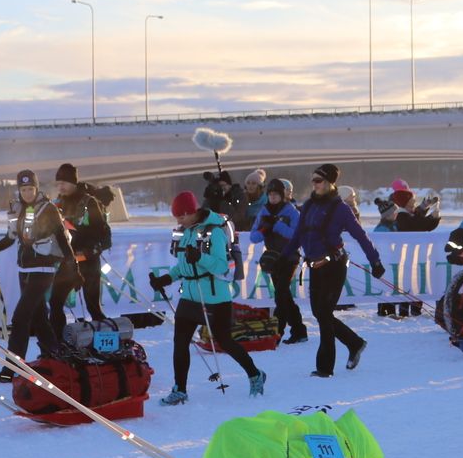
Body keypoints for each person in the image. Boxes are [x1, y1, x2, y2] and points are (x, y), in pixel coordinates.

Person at [150, 191, 265, 403]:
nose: (179, 221)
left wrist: (200, 257)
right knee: (180, 342)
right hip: (190, 297)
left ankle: (255, 373)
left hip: (215, 298)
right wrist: (165, 279)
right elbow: (184, 265)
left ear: (192, 212)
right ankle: (180, 389)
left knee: (225, 342)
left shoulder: (215, 232)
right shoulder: (187, 232)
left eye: (181, 217)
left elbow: (222, 266)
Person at [274, 164, 386, 377]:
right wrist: (283, 257)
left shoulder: (341, 209)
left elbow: (360, 235)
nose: (315, 184)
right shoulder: (307, 206)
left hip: (334, 266)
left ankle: (325, 368)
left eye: (319, 180)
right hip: (315, 266)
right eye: (313, 180)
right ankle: (354, 343)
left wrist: (375, 261)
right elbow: (298, 235)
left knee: (324, 314)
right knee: (319, 313)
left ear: (330, 182)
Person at [0, 169, 73, 381]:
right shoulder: (18, 208)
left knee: (20, 317)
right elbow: (10, 238)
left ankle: (12, 369)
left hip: (43, 270)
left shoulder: (48, 209)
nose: (28, 193)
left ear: (37, 188)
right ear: (19, 190)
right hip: (25, 270)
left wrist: (72, 266)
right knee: (39, 317)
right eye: (23, 189)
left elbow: (61, 237)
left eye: (31, 188)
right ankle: (55, 356)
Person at [48, 162, 111, 331]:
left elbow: (105, 235)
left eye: (63, 183)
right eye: (58, 183)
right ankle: (57, 344)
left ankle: (106, 342)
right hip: (68, 263)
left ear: (73, 182)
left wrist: (92, 250)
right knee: (55, 302)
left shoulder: (89, 203)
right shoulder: (57, 204)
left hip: (88, 263)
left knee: (93, 307)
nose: (60, 186)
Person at [252, 177, 306, 343]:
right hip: (273, 259)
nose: (273, 197)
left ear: (283, 196)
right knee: (283, 295)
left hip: (289, 257)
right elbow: (254, 237)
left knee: (281, 293)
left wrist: (277, 226)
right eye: (270, 194)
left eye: (276, 194)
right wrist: (264, 229)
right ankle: (298, 331)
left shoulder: (291, 211)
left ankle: (278, 331)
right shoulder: (264, 211)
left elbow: (298, 236)